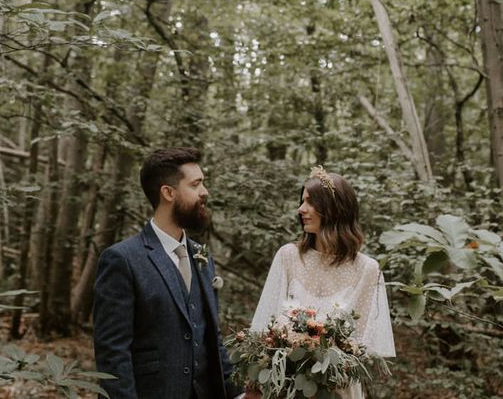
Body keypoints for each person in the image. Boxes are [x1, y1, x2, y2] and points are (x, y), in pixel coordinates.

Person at [93, 146, 241, 399]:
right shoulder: (122, 259)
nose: (204, 192)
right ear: (168, 192)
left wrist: (236, 393)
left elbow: (211, 338)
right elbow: (113, 355)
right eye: (196, 185)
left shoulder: (202, 257)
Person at [248, 166, 395, 399]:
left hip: (339, 390)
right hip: (285, 388)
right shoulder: (288, 257)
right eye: (302, 201)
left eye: (310, 202)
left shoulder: (367, 270)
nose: (301, 209)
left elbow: (364, 349)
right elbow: (262, 330)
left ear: (334, 209)